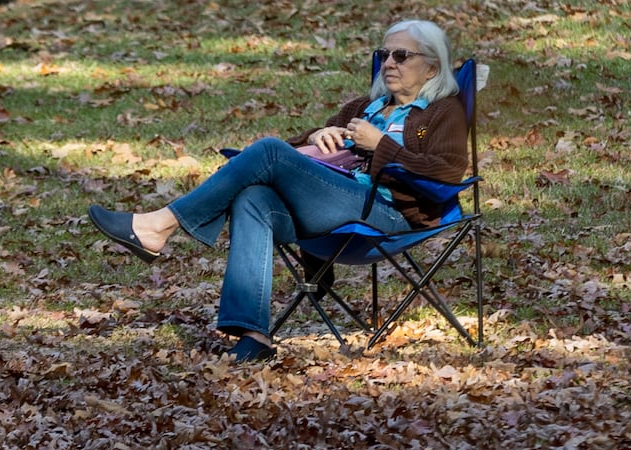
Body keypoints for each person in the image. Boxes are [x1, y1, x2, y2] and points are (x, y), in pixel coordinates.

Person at [88, 20, 468, 363]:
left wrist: (382, 145)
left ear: (431, 67)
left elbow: (447, 175)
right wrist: (317, 135)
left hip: (386, 216)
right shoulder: (366, 107)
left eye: (401, 55)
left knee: (268, 150)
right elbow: (292, 152)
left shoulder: (441, 112)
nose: (389, 63)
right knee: (254, 198)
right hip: (333, 207)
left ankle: (159, 226)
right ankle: (254, 336)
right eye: (383, 54)